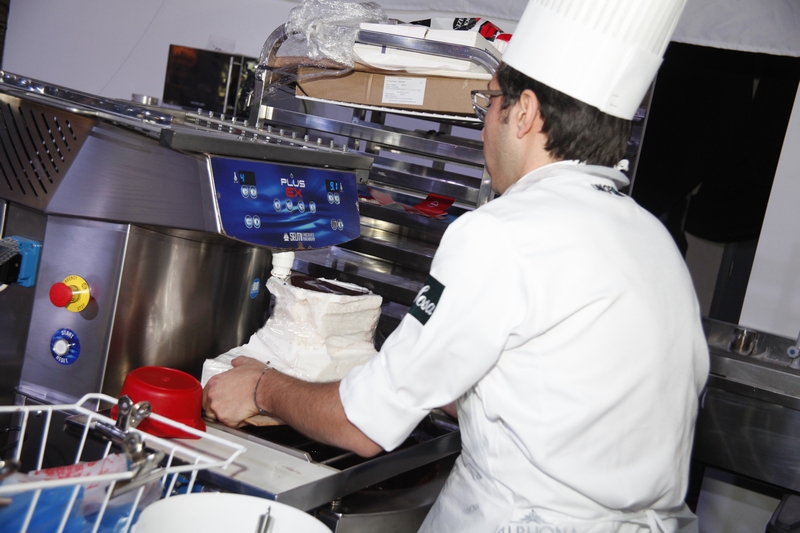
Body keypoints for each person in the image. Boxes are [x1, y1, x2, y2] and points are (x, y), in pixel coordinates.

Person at [203, 0, 710, 531]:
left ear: (526, 112)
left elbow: (363, 426)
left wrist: (262, 386)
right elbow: (564, 391)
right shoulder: (654, 240)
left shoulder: (503, 231)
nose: (484, 121)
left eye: (487, 103)